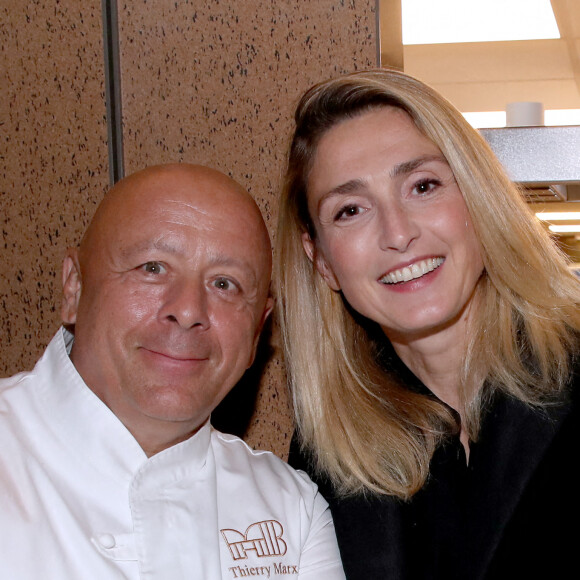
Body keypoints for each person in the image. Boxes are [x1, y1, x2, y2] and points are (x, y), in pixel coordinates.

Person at [275, 69, 580, 579]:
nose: (397, 233)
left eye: (423, 185)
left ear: (478, 199)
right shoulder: (329, 453)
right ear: (321, 259)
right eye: (350, 210)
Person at [0, 163, 345, 579]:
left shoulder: (292, 510)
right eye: (153, 267)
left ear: (258, 329)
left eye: (224, 284)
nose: (187, 310)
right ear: (74, 287)